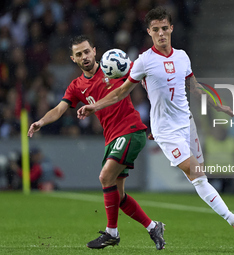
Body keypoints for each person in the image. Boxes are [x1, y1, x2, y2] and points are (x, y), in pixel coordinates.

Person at [77, 7, 234, 240]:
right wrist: (95, 106)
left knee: (200, 178)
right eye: (156, 30)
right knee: (198, 174)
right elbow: (121, 92)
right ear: (149, 32)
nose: (161, 33)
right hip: (166, 131)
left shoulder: (182, 56)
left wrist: (219, 106)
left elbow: (195, 87)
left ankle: (231, 219)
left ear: (171, 28)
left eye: (164, 28)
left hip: (187, 124)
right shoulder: (143, 62)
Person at [27, 35, 166, 250]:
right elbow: (60, 109)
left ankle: (112, 232)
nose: (84, 56)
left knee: (104, 176)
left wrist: (158, 120)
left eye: (86, 51)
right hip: (111, 138)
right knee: (118, 197)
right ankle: (152, 227)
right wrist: (41, 122)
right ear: (73, 59)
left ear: (94, 51)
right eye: (79, 54)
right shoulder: (76, 86)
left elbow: (147, 82)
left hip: (130, 130)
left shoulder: (114, 67)